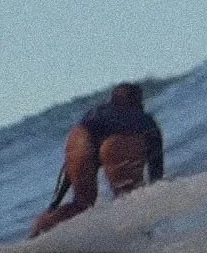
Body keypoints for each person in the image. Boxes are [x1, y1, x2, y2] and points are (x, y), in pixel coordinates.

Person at [29, 82, 165, 237]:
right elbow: (156, 167)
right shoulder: (143, 119)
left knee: (81, 203)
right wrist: (155, 193)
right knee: (128, 198)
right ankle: (141, 241)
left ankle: (35, 237)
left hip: (79, 135)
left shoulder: (94, 113)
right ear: (137, 100)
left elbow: (68, 167)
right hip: (120, 139)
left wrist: (54, 203)